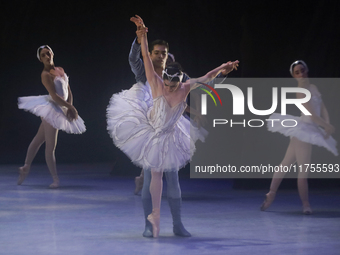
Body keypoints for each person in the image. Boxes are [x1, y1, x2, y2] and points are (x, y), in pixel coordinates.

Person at [107, 15, 238, 238]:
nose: (160, 56)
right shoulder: (147, 75)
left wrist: (222, 72)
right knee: (151, 177)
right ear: (151, 54)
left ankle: (177, 224)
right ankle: (150, 224)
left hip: (172, 130)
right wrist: (141, 37)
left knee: (174, 179)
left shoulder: (182, 79)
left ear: (169, 57)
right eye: (156, 53)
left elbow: (205, 81)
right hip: (149, 128)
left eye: (163, 53)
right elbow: (136, 59)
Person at [261, 60, 338, 214]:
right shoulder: (300, 91)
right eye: (297, 72)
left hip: (310, 129)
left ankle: (271, 193)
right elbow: (311, 114)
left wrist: (327, 124)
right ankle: (306, 205)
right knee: (302, 170)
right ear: (294, 76)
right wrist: (326, 126)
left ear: (306, 70)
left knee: (285, 163)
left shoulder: (313, 88)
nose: (301, 74)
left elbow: (322, 108)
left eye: (302, 70)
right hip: (304, 130)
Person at [18, 45, 86, 188]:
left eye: (48, 53)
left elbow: (68, 91)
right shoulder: (45, 75)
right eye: (43, 55)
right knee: (50, 147)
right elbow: (54, 96)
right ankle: (55, 179)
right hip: (52, 109)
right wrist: (70, 107)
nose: (47, 57)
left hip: (62, 107)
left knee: (38, 139)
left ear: (53, 53)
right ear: (40, 59)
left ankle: (25, 167)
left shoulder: (60, 70)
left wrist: (69, 107)